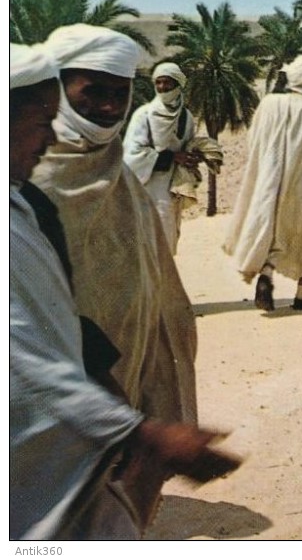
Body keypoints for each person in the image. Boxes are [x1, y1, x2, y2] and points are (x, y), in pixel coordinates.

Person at [11, 43, 240, 539]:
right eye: (93, 92)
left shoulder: (42, 194)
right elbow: (21, 351)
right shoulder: (33, 187)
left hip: (102, 374)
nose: (109, 107)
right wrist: (137, 429)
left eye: (121, 93)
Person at [223, 54, 302, 311]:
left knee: (273, 229)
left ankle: (266, 272)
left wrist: (268, 169)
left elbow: (254, 139)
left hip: (270, 182)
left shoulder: (269, 103)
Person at [122, 62, 199, 254]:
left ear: (178, 83)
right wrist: (172, 157)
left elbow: (187, 145)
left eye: (168, 83)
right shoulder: (144, 115)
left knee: (168, 240)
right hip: (148, 187)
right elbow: (132, 154)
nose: (163, 88)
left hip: (173, 187)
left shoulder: (187, 117)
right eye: (159, 83)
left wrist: (193, 156)